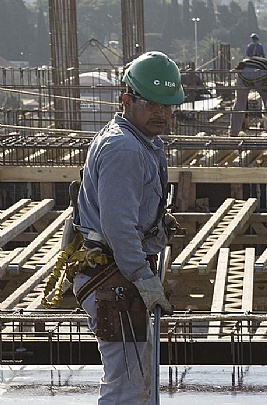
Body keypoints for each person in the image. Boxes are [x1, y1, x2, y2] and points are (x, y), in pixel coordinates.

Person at [73, 51, 179, 404]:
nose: (162, 113)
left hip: (117, 272)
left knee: (136, 378)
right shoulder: (124, 148)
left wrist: (155, 222)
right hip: (114, 276)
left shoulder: (140, 141)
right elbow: (118, 225)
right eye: (152, 104)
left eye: (168, 105)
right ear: (127, 100)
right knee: (127, 384)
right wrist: (142, 276)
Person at [230, 56, 267, 136]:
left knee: (239, 103)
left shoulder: (261, 62)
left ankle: (233, 132)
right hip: (260, 74)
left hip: (242, 73)